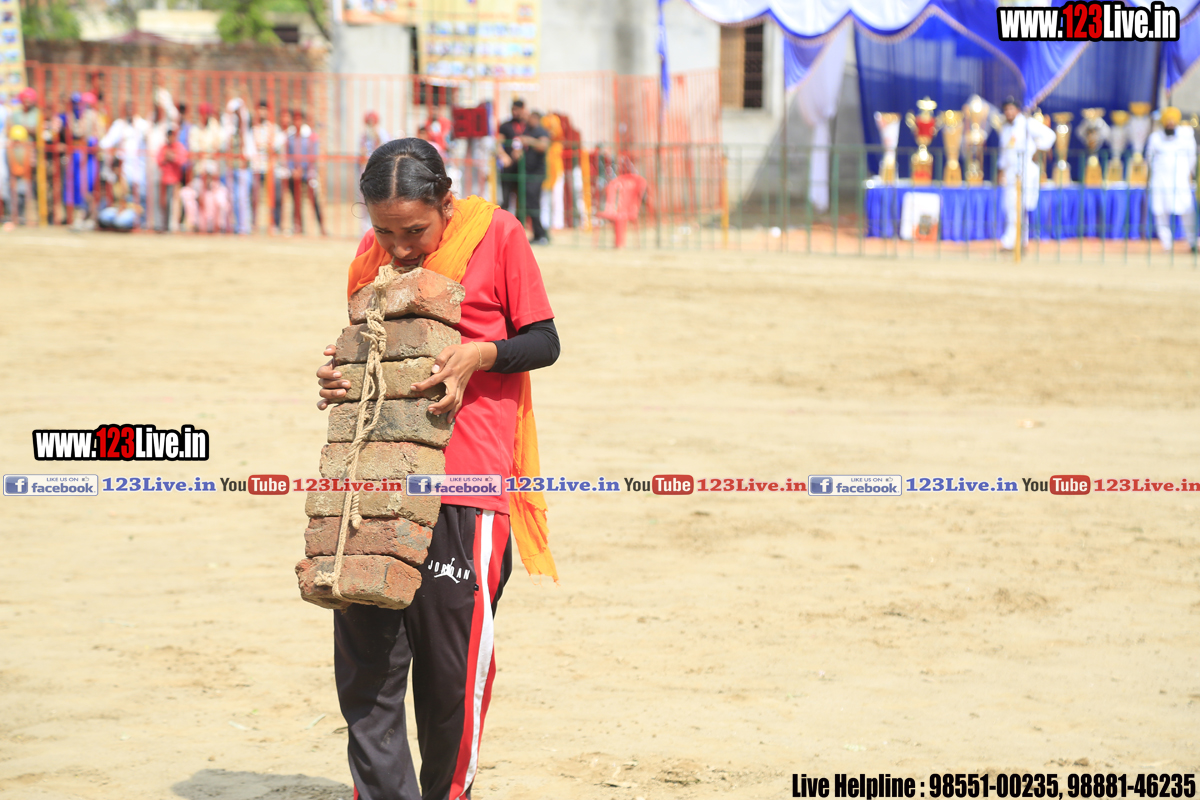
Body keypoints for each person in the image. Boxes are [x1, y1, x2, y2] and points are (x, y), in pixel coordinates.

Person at [314, 137, 560, 800]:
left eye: (414, 231)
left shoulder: (497, 236)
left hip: (466, 485)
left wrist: (479, 355)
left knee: (450, 678)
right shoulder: (369, 258)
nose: (399, 248)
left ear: (446, 204)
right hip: (374, 485)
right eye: (384, 231)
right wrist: (339, 376)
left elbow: (544, 341)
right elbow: (370, 354)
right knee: (367, 676)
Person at [997, 96, 1055, 252]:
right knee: (1010, 207)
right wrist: (1001, 171)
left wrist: (1038, 150)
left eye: (1011, 109)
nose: (1009, 112)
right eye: (1006, 109)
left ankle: (1015, 241)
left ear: (1017, 110)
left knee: (1020, 207)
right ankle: (1016, 241)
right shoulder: (1006, 128)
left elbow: (1050, 135)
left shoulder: (1027, 123)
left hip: (1025, 171)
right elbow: (1004, 152)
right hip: (1010, 172)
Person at [1146, 106, 1198, 252]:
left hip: (1180, 179)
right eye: (1167, 121)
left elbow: (1192, 157)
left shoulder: (1186, 136)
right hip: (1160, 180)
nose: (1170, 124)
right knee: (1160, 211)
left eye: (1172, 121)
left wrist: (1190, 174)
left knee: (1187, 210)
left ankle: (1192, 242)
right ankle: (1167, 244)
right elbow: (1149, 158)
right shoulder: (1155, 137)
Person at [498, 101, 551, 243]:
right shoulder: (523, 129)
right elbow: (502, 143)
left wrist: (529, 141)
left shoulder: (539, 131)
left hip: (535, 175)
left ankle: (541, 234)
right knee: (514, 202)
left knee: (532, 204)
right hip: (521, 173)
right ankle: (525, 234)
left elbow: (544, 145)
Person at [99, 100, 149, 227]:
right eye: (127, 108)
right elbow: (105, 143)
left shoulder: (143, 125)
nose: (130, 111)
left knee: (134, 208)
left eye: (132, 108)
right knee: (105, 217)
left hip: (139, 175)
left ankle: (138, 220)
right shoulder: (119, 125)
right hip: (123, 175)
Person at [288, 109, 325, 235]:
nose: (297, 122)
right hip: (294, 174)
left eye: (299, 119)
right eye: (295, 119)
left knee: (314, 200)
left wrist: (302, 169)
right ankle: (298, 226)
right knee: (296, 202)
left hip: (308, 173)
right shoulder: (290, 137)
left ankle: (322, 227)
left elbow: (312, 156)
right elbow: (288, 156)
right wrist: (293, 169)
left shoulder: (310, 137)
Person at [155, 125, 188, 233]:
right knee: (163, 204)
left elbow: (183, 160)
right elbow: (158, 160)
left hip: (175, 180)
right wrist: (166, 158)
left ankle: (172, 227)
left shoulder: (178, 147)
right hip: (164, 180)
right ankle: (162, 226)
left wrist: (173, 157)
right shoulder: (163, 148)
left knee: (174, 204)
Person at [97, 158, 143, 232]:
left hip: (130, 208)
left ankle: (132, 222)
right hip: (118, 209)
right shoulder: (114, 181)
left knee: (120, 222)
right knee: (103, 217)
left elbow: (133, 200)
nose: (116, 171)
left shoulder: (130, 180)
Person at [6, 124, 34, 226]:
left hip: (24, 176)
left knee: (24, 195)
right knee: (12, 197)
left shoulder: (27, 148)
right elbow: (11, 163)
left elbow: (28, 163)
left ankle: (23, 217)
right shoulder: (10, 148)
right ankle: (13, 217)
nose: (17, 143)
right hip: (14, 176)